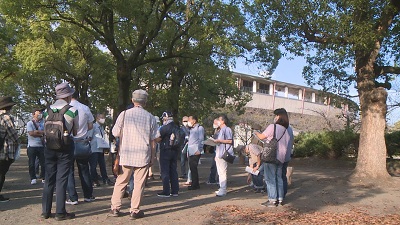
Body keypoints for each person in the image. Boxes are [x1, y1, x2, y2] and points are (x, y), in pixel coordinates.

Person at [109, 89, 157, 219]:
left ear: (132, 100)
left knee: (121, 181)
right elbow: (153, 139)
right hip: (143, 154)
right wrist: (153, 156)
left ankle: (115, 208)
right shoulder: (150, 117)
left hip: (126, 153)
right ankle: (134, 210)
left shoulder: (124, 114)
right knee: (138, 184)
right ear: (145, 102)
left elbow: (115, 133)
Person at [42, 83, 79, 220]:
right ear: (68, 95)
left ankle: (45, 211)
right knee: (61, 179)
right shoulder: (72, 110)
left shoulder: (47, 110)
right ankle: (60, 212)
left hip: (49, 147)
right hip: (64, 147)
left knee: (49, 179)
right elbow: (75, 131)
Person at [254, 108, 290, 207]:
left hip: (271, 156)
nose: (274, 117)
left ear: (278, 117)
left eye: (276, 116)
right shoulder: (285, 131)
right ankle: (280, 199)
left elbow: (262, 137)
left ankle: (272, 200)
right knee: (279, 178)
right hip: (281, 158)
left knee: (270, 179)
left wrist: (256, 132)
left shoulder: (272, 126)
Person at [66, 92, 95, 205]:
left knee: (69, 171)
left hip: (69, 142)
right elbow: (91, 125)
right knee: (84, 170)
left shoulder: (66, 108)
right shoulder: (85, 108)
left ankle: (73, 197)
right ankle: (88, 195)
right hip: (82, 142)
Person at [0, 96, 19, 203]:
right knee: (1, 173)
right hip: (5, 150)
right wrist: (18, 143)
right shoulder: (6, 117)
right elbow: (13, 134)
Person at [89, 113, 114, 187]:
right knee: (93, 166)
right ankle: (93, 180)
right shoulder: (93, 126)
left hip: (100, 148)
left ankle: (105, 179)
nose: (103, 119)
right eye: (101, 117)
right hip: (94, 149)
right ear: (97, 118)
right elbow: (89, 136)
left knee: (102, 165)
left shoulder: (101, 127)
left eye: (104, 117)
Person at [275, 109, 294, 198]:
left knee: (278, 177)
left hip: (279, 156)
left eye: (276, 116)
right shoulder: (289, 128)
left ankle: (279, 196)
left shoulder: (279, 128)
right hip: (286, 156)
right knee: (283, 176)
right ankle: (283, 194)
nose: (275, 118)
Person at [213, 114, 233, 197]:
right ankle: (221, 188)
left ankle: (223, 189)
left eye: (219, 120)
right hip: (219, 153)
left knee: (223, 172)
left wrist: (219, 140)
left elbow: (230, 141)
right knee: (220, 172)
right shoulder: (220, 130)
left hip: (224, 153)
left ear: (223, 121)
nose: (218, 121)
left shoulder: (227, 129)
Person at [26, 109, 46, 185]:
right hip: (32, 146)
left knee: (43, 163)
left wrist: (37, 132)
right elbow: (31, 133)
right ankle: (33, 178)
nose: (40, 115)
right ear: (33, 114)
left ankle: (43, 177)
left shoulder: (43, 123)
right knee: (32, 163)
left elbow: (46, 132)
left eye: (40, 113)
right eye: (38, 114)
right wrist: (41, 134)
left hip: (41, 146)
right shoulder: (30, 123)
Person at [186, 115, 204, 190]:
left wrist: (199, 150)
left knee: (193, 167)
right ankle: (194, 183)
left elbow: (201, 139)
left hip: (196, 150)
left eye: (189, 120)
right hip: (191, 150)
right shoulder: (191, 129)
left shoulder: (200, 128)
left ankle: (195, 184)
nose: (188, 121)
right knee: (192, 167)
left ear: (194, 120)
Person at [206, 118, 220, 185]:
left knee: (215, 165)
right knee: (214, 165)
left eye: (215, 123)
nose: (214, 124)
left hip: (218, 149)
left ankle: (213, 179)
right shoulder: (215, 130)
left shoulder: (220, 131)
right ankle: (212, 179)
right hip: (215, 148)